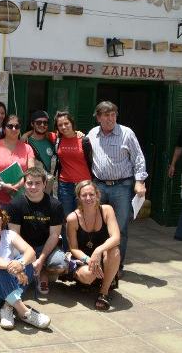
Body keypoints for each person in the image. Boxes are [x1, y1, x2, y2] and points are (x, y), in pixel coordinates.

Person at [87, 101, 147, 273]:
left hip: (122, 186)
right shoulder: (92, 134)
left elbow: (138, 158)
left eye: (113, 114)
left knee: (120, 227)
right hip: (99, 185)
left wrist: (140, 181)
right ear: (98, 117)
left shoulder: (126, 133)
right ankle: (96, 262)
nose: (110, 118)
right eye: (106, 115)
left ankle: (116, 266)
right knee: (97, 225)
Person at [0, 203, 50, 330]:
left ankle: (8, 306)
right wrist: (11, 267)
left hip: (7, 288)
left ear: (2, 219)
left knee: (27, 262)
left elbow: (31, 253)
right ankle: (24, 312)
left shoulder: (10, 235)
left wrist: (20, 263)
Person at [7, 167, 66, 296]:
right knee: (20, 276)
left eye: (37, 183)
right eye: (29, 183)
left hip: (46, 247)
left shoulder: (55, 205)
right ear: (24, 183)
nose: (33, 187)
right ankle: (37, 273)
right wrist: (30, 256)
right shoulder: (15, 204)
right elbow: (14, 235)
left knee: (61, 264)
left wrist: (41, 259)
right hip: (23, 248)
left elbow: (54, 235)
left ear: (45, 184)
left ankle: (43, 270)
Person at [66, 180, 121, 310]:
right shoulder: (72, 218)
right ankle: (84, 281)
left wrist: (98, 251)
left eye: (91, 194)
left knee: (115, 251)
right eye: (84, 195)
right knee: (89, 276)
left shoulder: (107, 210)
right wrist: (88, 260)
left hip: (102, 257)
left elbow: (116, 237)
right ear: (79, 197)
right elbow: (73, 248)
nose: (88, 198)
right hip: (83, 259)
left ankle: (104, 292)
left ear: (97, 195)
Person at [0, 114, 34, 205]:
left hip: (23, 198)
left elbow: (32, 171)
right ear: (4, 129)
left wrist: (19, 185)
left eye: (17, 126)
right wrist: (1, 184)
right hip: (0, 198)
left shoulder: (28, 148)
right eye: (10, 126)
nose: (14, 129)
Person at [53, 111, 92, 215]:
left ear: (72, 123)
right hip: (65, 185)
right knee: (66, 217)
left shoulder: (84, 140)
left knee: (84, 216)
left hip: (84, 185)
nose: (64, 127)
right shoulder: (57, 140)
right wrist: (26, 134)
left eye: (66, 123)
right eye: (60, 125)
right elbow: (39, 133)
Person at [24, 110, 55, 194]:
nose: (42, 125)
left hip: (48, 186)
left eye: (45, 123)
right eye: (38, 122)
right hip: (32, 186)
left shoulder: (52, 141)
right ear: (32, 124)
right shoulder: (25, 142)